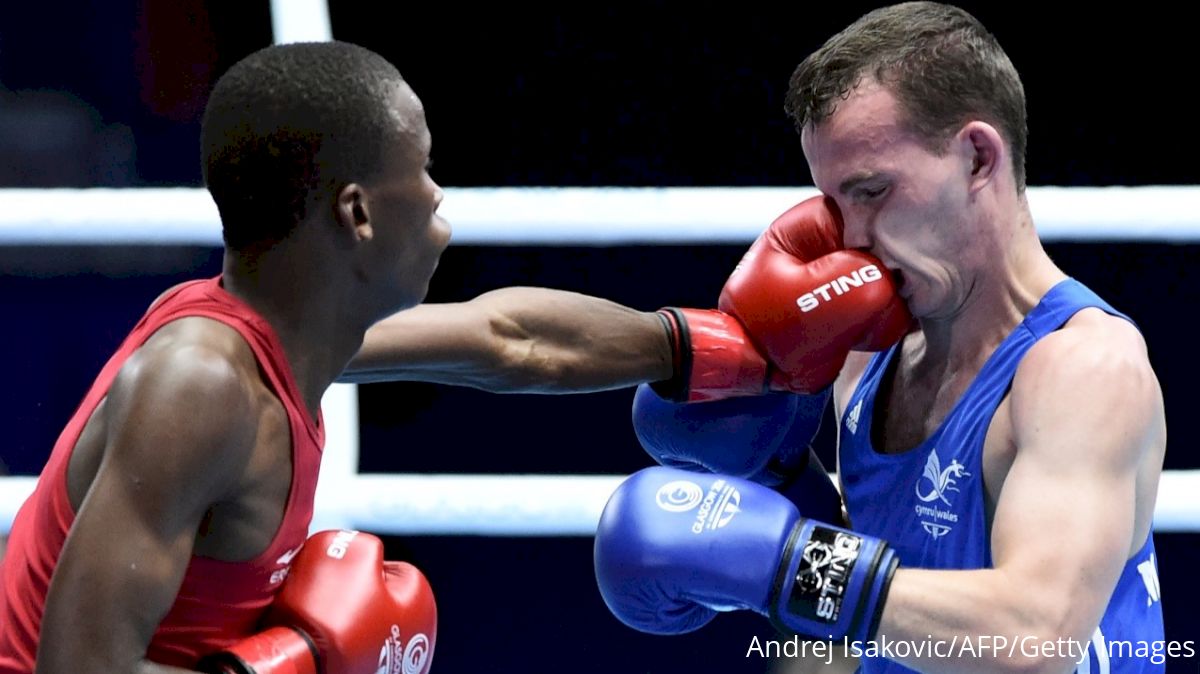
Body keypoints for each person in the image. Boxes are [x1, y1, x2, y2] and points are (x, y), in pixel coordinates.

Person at [0, 40, 908, 674]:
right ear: (356, 213)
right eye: (423, 168)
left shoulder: (284, 345)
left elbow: (508, 340)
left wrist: (718, 352)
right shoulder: (199, 386)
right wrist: (292, 664)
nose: (440, 198)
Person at [593, 3, 1167, 673]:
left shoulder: (1083, 369)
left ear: (978, 157)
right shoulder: (865, 358)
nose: (852, 238)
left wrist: (785, 563)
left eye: (873, 191)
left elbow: (1033, 638)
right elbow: (901, 582)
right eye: (835, 204)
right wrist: (788, 482)